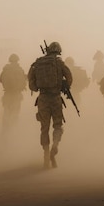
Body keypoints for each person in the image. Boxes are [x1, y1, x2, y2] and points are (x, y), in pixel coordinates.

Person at [28, 41, 73, 169]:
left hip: (42, 99)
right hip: (56, 98)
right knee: (58, 125)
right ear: (58, 51)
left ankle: (46, 155)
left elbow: (31, 83)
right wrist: (64, 86)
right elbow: (69, 77)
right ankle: (55, 146)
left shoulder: (37, 63)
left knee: (44, 128)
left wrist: (38, 87)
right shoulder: (59, 63)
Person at [0, 53, 27, 132]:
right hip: (17, 95)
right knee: (15, 113)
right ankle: (13, 132)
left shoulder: (6, 69)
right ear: (17, 60)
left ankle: (5, 131)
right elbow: (24, 81)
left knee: (6, 113)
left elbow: (0, 80)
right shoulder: (20, 70)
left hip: (7, 95)